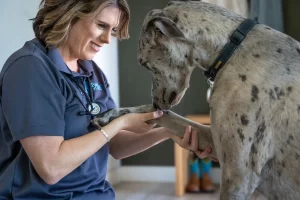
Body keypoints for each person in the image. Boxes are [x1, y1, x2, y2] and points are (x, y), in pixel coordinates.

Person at [0, 0, 213, 199]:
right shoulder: (30, 68)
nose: (107, 39)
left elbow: (115, 147)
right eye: (101, 25)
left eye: (112, 30)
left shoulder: (91, 71)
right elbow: (51, 168)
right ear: (69, 15)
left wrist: (168, 131)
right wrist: (119, 123)